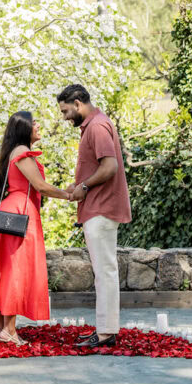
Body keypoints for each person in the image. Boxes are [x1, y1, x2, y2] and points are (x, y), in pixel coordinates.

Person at [0, 110, 72, 345]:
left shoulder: (12, 152)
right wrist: (69, 195)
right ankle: (9, 330)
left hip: (9, 210)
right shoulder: (22, 153)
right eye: (34, 122)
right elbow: (40, 186)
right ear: (24, 128)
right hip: (20, 212)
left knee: (4, 270)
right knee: (15, 272)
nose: (38, 126)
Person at [57, 83, 131, 349]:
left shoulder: (97, 126)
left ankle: (107, 333)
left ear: (78, 103)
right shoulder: (94, 125)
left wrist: (84, 187)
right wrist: (78, 186)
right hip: (96, 207)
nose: (65, 117)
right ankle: (104, 330)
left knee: (105, 272)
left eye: (66, 111)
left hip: (101, 208)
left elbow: (109, 166)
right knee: (103, 272)